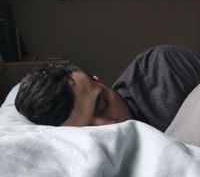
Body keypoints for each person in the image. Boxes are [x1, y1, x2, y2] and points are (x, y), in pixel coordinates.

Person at [15, 45, 200, 131]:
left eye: (102, 104)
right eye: (88, 129)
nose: (108, 125)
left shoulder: (164, 68)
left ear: (100, 81)